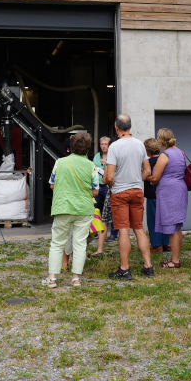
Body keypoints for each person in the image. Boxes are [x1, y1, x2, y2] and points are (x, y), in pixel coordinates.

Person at [45, 132, 99, 288]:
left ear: (71, 146)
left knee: (57, 242)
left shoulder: (59, 162)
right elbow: (95, 190)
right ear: (88, 148)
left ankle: (52, 278)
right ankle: (76, 278)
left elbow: (52, 184)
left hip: (63, 206)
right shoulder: (91, 166)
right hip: (84, 208)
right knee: (80, 243)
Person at [104, 114, 154, 280]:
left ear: (116, 128)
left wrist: (111, 185)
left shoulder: (114, 147)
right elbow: (147, 171)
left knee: (123, 229)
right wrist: (137, 180)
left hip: (120, 192)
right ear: (130, 127)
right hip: (137, 191)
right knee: (138, 228)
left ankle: (125, 269)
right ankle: (148, 266)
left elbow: (109, 177)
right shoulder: (140, 144)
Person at [149, 128, 188, 268]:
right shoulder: (181, 152)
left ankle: (175, 261)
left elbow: (155, 177)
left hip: (169, 192)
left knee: (172, 227)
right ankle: (175, 258)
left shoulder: (164, 155)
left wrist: (146, 176)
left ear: (161, 141)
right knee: (177, 227)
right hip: (180, 189)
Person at [143, 138, 169, 252]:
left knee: (153, 220)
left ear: (147, 151)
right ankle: (167, 243)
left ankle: (157, 244)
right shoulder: (165, 159)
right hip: (165, 194)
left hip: (152, 194)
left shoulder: (147, 162)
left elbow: (145, 176)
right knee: (166, 219)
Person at [90, 136, 112, 258]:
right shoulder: (97, 156)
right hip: (98, 187)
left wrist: (106, 164)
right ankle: (96, 231)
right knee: (96, 210)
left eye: (106, 144)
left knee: (108, 213)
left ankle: (113, 234)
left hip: (108, 186)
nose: (103, 146)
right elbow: (93, 169)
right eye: (102, 144)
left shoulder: (112, 155)